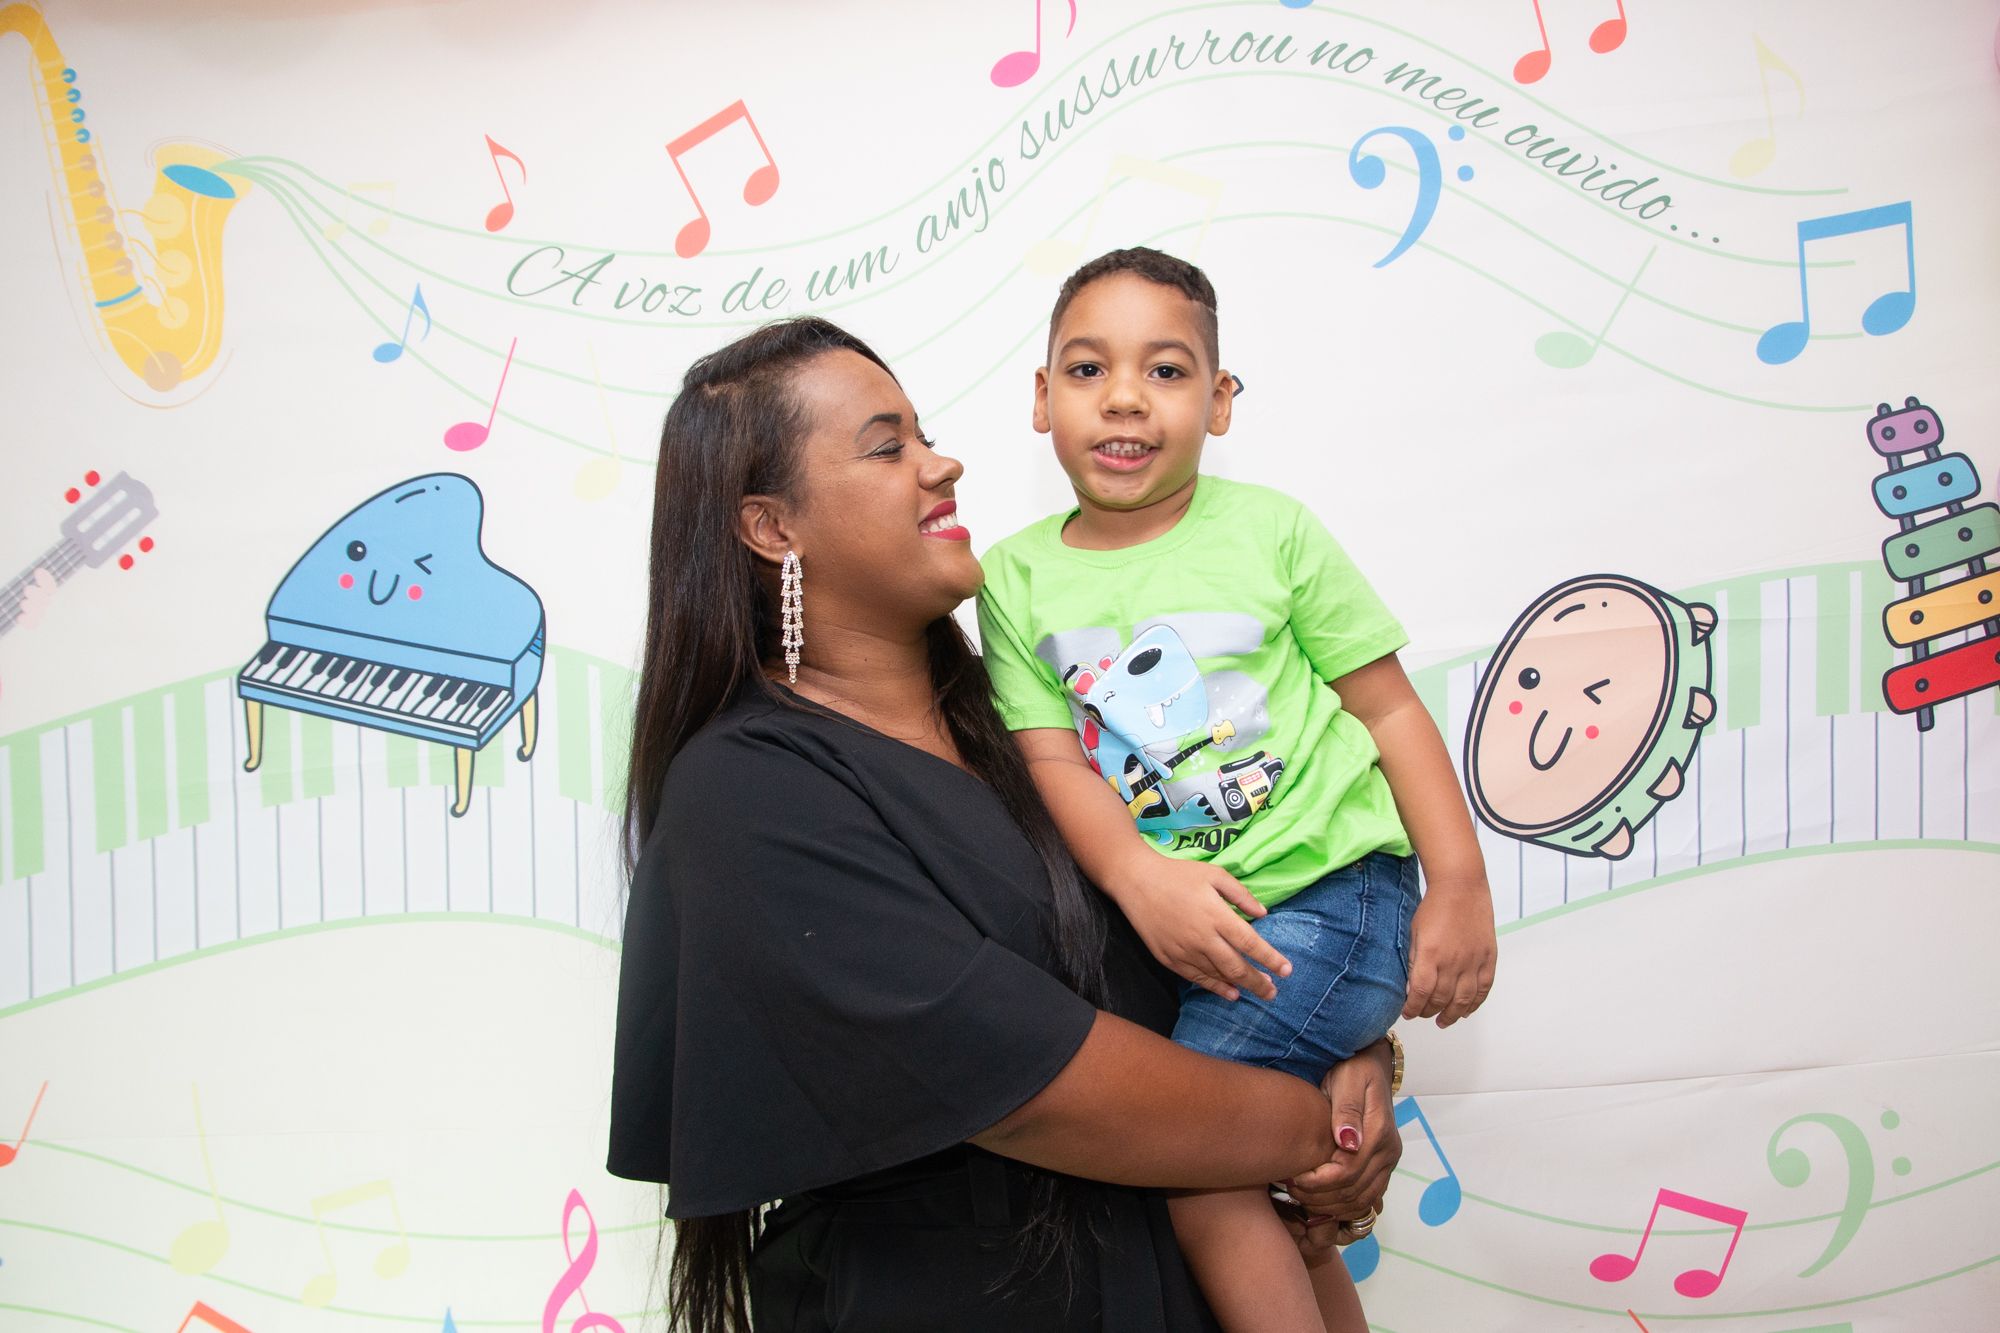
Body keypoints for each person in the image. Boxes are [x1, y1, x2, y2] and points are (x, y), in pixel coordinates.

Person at [607, 316, 1403, 1333]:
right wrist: (1310, 1129)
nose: (943, 464)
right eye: (888, 445)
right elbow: (1027, 1083)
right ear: (772, 527)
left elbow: (1247, 900)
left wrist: (1354, 1059)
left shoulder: (1046, 734)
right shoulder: (746, 789)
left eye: (924, 433)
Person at [976, 248, 1498, 1333]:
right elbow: (1049, 761)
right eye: (1086, 369)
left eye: (1165, 372)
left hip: (1331, 899)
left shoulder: (1271, 531)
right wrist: (1139, 876)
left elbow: (1389, 709)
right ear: (1039, 399)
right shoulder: (1015, 578)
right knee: (1262, 1183)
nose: (1123, 396)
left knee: (1191, 1153)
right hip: (1205, 928)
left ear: (1218, 404)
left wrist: (1457, 883)